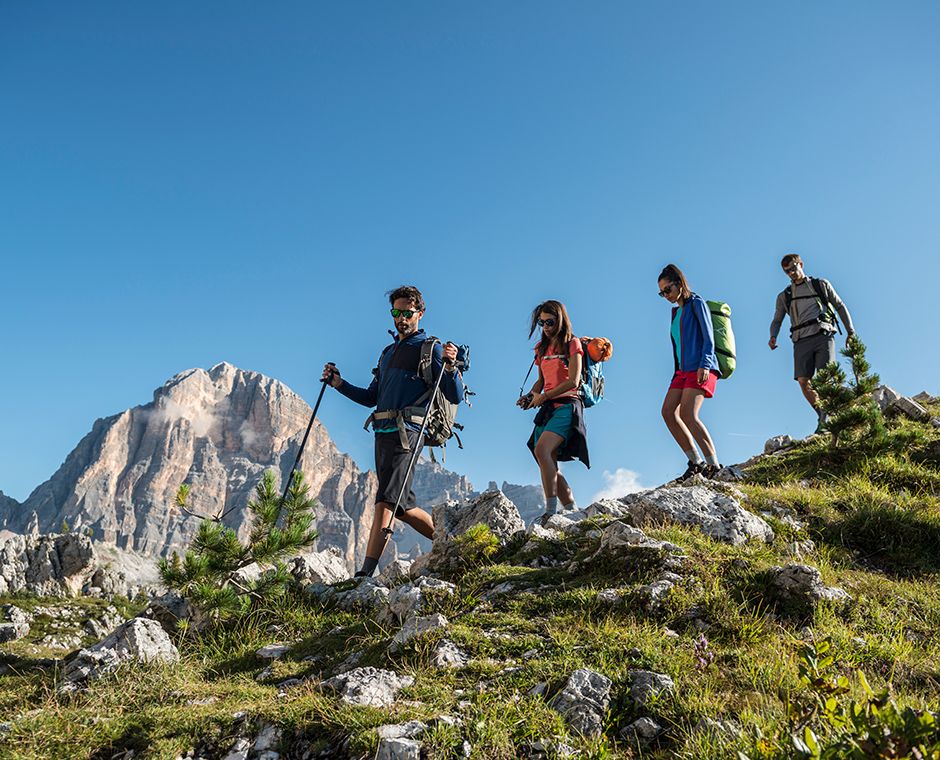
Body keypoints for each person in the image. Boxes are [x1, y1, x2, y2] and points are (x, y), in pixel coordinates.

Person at [322, 285, 464, 577]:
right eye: (396, 312)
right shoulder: (387, 353)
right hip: (382, 431)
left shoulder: (431, 349)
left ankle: (365, 572)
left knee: (385, 500)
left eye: (407, 313)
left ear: (420, 314)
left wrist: (450, 367)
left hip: (409, 432)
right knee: (401, 506)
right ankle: (453, 545)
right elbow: (371, 397)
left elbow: (455, 395)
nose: (401, 318)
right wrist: (339, 383)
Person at [517, 300, 589, 524]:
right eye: (541, 322)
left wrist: (544, 397)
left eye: (550, 321)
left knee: (542, 450)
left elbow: (573, 381)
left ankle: (550, 512)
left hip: (568, 406)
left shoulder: (572, 344)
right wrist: (530, 397)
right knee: (549, 463)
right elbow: (541, 380)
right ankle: (573, 511)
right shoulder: (541, 348)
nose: (546, 327)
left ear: (560, 320)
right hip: (548, 408)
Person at [769, 253, 855, 432]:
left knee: (825, 379)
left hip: (823, 334)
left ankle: (832, 416)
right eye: (787, 271)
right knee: (803, 381)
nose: (792, 273)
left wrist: (850, 331)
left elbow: (839, 306)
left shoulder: (820, 285)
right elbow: (777, 319)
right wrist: (773, 336)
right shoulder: (785, 296)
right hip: (800, 339)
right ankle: (824, 414)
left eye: (794, 268)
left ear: (801, 264)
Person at [657, 264, 723, 480]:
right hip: (681, 371)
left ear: (679, 284)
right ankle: (696, 462)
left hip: (701, 366)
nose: (665, 295)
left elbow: (708, 335)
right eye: (662, 292)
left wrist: (705, 363)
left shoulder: (696, 303)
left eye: (668, 290)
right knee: (667, 412)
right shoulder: (676, 312)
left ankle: (714, 466)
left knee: (688, 414)